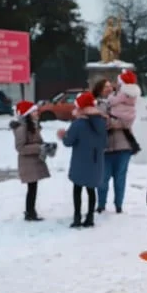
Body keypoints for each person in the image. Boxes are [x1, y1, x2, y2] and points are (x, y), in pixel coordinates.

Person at [57, 92, 107, 228]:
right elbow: (104, 143)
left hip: (80, 161)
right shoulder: (101, 122)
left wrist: (62, 136)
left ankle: (77, 217)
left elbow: (68, 142)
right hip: (96, 160)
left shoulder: (78, 124)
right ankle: (90, 218)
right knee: (91, 190)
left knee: (77, 189)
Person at [97, 70, 139, 213]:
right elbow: (99, 123)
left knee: (120, 178)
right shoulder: (104, 102)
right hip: (106, 146)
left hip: (123, 145)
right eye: (106, 86)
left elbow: (127, 122)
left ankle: (118, 205)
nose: (111, 87)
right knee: (103, 178)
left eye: (113, 83)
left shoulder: (128, 101)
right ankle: (101, 205)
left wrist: (114, 123)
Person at [11, 100, 51, 221]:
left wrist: (47, 146)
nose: (37, 112)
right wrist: (39, 148)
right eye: (34, 111)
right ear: (28, 113)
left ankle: (30, 211)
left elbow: (36, 141)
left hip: (34, 161)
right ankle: (30, 213)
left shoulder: (33, 125)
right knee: (32, 188)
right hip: (28, 163)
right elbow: (20, 148)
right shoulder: (22, 128)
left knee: (33, 188)